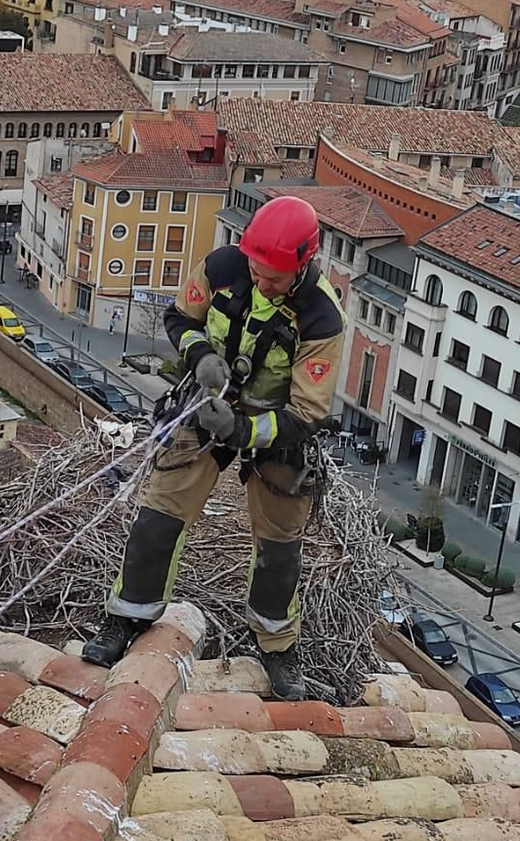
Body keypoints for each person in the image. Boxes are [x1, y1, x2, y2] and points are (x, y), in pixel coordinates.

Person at [83, 196, 344, 700]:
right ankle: (127, 618)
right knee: (158, 518)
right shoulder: (223, 267)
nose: (262, 283)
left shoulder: (320, 317)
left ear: (303, 265)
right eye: (256, 271)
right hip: (205, 406)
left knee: (279, 549)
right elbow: (180, 319)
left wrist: (243, 434)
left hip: (275, 430)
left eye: (274, 279)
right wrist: (200, 355)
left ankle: (276, 645)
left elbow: (306, 414)